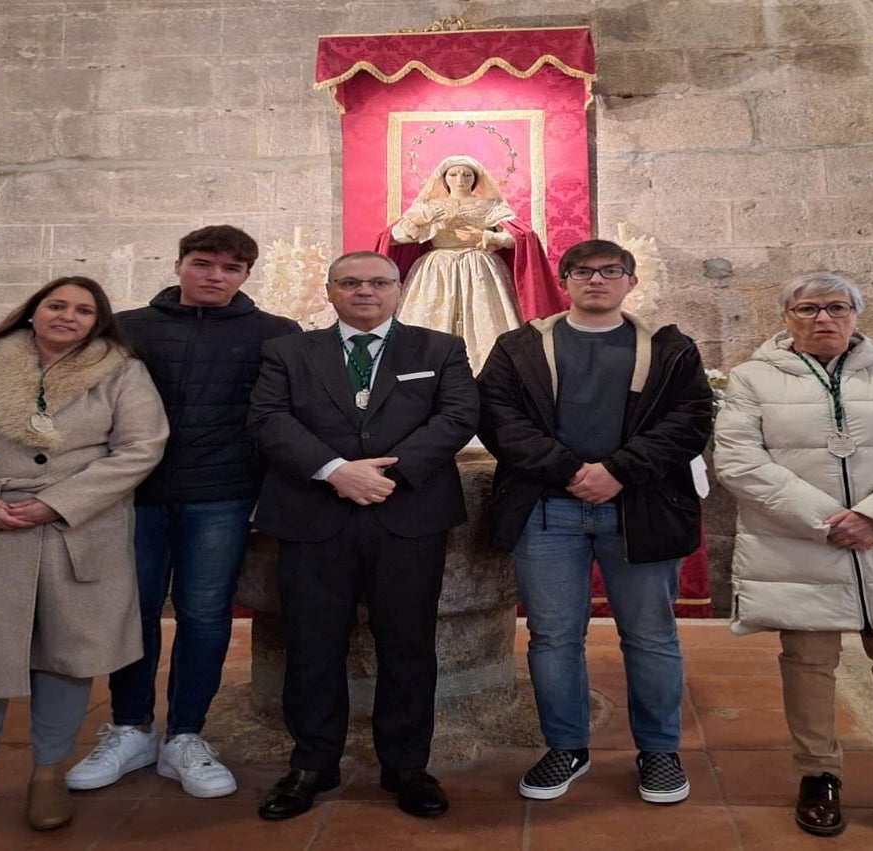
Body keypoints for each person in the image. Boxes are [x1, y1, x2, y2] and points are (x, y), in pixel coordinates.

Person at [713, 272, 873, 842]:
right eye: (807, 309)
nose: (823, 319)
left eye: (837, 307)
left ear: (857, 314)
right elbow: (738, 460)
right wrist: (826, 519)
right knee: (807, 659)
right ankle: (818, 776)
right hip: (805, 540)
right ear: (787, 317)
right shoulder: (753, 378)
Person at [0, 276, 168, 833]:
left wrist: (60, 503)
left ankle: (48, 774)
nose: (68, 316)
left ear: (98, 321)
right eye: (57, 305)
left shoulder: (120, 369)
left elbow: (142, 447)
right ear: (33, 311)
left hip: (75, 526)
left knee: (65, 657)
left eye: (83, 310)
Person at [65, 226, 300, 798]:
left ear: (247, 275)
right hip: (134, 495)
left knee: (203, 614)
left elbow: (280, 418)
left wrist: (265, 497)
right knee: (134, 611)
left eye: (229, 268)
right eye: (203, 263)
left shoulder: (276, 335)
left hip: (221, 495)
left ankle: (187, 736)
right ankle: (130, 728)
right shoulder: (127, 328)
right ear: (178, 265)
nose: (214, 276)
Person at [477, 239, 712, 805]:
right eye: (583, 271)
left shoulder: (669, 348)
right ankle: (566, 746)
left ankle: (659, 752)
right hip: (547, 511)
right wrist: (569, 471)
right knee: (554, 637)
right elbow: (498, 419)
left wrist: (618, 472)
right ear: (565, 280)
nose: (597, 280)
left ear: (631, 281)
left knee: (651, 636)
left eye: (611, 271)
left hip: (640, 508)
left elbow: (691, 419)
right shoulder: (521, 346)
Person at [248, 250, 478, 820]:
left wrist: (386, 475)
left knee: (407, 643)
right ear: (330, 291)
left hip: (408, 516)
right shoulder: (287, 352)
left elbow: (457, 416)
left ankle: (406, 765)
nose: (365, 292)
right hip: (312, 515)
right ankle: (311, 763)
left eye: (378, 282)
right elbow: (268, 419)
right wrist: (335, 471)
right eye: (350, 283)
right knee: (312, 643)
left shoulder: (439, 349)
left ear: (398, 289)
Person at [378, 154, 566, 371]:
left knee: (486, 320)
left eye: (467, 174)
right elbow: (395, 237)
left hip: (480, 268)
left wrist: (487, 238)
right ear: (444, 178)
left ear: (476, 179)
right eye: (454, 174)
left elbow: (518, 237)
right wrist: (418, 222)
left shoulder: (490, 205)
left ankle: (491, 371)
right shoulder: (428, 206)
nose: (460, 179)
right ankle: (427, 370)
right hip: (437, 268)